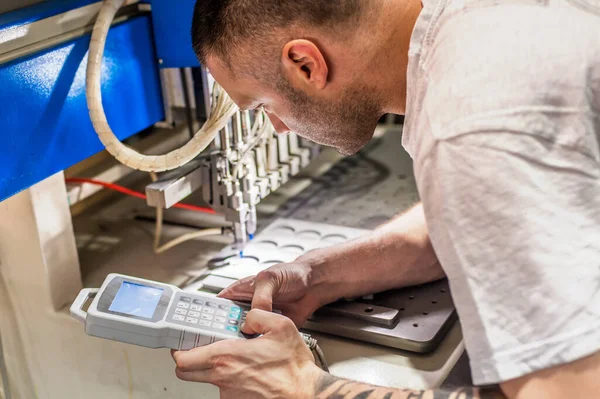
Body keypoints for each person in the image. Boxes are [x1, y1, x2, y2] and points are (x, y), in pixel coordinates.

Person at [171, 0, 600, 397]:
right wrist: (318, 275)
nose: (279, 127)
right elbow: (482, 215)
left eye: (263, 103)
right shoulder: (477, 27)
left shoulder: (470, 126)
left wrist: (302, 386)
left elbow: (569, 392)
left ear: (305, 64)